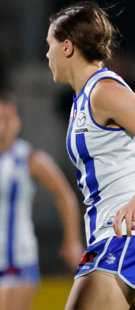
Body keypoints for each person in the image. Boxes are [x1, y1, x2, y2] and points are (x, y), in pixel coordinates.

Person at [46, 1, 135, 310]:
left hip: (124, 235)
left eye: (50, 45)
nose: (47, 55)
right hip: (127, 235)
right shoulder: (82, 99)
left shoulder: (104, 91)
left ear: (67, 47)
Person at [0, 94, 83, 310]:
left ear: (17, 122)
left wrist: (72, 241)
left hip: (17, 258)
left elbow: (64, 195)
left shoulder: (30, 158)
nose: (3, 126)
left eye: (7, 119)